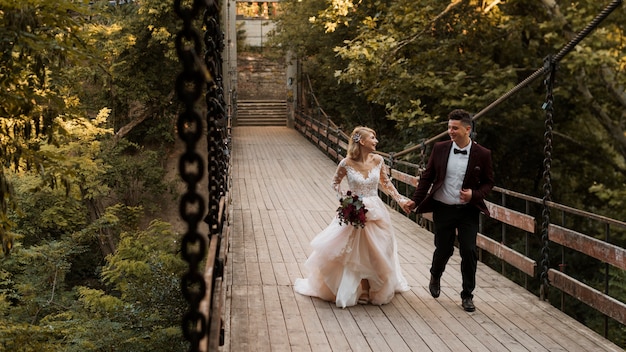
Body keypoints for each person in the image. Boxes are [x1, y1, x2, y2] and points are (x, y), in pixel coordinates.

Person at [294, 126, 411, 308]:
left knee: (377, 250)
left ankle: (374, 287)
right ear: (362, 142)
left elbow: (386, 184)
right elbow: (335, 183)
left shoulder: (378, 160)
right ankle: (362, 289)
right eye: (372, 138)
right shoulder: (346, 163)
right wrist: (346, 200)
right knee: (355, 251)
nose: (376, 141)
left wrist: (401, 200)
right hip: (355, 210)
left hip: (376, 212)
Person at [402, 109, 494, 312]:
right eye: (449, 127)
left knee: (469, 250)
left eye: (455, 128)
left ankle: (467, 295)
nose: (450, 131)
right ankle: (435, 274)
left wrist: (474, 195)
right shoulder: (440, 148)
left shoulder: (483, 154)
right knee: (444, 249)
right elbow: (427, 177)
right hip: (443, 207)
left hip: (468, 210)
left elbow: (489, 183)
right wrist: (415, 202)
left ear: (467, 129)